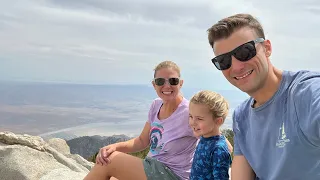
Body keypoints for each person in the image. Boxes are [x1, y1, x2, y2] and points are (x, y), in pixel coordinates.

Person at [206, 13, 320, 179]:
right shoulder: (242, 117)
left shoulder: (306, 94)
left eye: (245, 51)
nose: (236, 67)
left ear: (267, 48)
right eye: (224, 61)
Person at [84, 60, 226, 180]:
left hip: (173, 174)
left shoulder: (190, 111)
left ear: (180, 83)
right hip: (152, 166)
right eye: (160, 81)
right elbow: (142, 141)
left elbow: (217, 138)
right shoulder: (155, 105)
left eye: (173, 81)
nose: (167, 86)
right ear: (154, 85)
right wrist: (115, 146)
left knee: (110, 161)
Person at [188, 90, 232, 180]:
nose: (193, 122)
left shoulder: (218, 149)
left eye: (199, 119)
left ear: (218, 121)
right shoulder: (204, 138)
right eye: (191, 116)